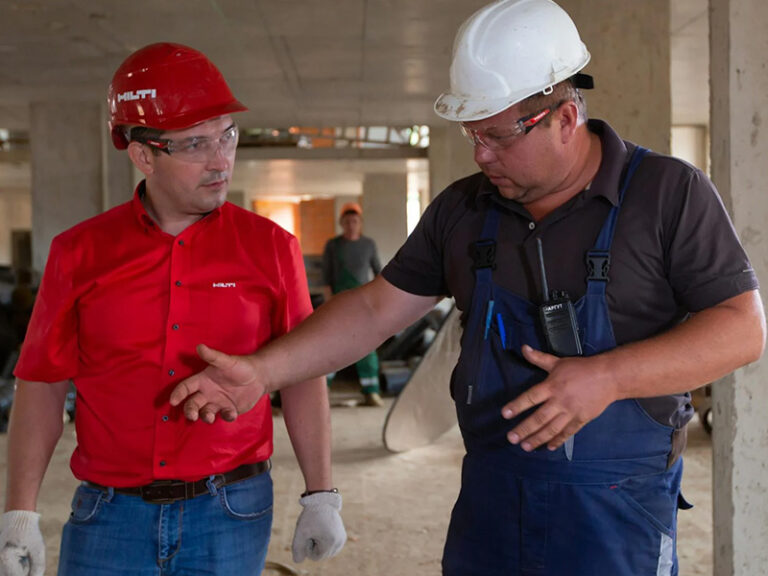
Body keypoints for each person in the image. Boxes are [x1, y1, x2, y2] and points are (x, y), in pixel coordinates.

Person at [168, 1, 766, 574]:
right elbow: (374, 310)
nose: (481, 155)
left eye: (499, 137)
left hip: (618, 507)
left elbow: (742, 329)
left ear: (565, 118)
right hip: (491, 501)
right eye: (471, 134)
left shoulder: (666, 193)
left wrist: (609, 377)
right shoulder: (463, 210)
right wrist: (264, 371)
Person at [0, 43, 345, 576]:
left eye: (227, 135)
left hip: (230, 511)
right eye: (196, 144)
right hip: (109, 515)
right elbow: (42, 383)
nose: (221, 159)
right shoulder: (79, 252)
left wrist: (321, 493)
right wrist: (19, 514)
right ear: (143, 155)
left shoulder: (272, 248)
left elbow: (302, 374)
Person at [321, 202, 384, 406]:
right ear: (341, 223)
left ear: (360, 223)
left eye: (355, 221)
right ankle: (322, 390)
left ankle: (371, 391)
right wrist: (329, 303)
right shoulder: (333, 245)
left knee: (366, 346)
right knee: (332, 345)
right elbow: (326, 277)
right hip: (339, 301)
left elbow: (379, 272)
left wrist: (378, 300)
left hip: (362, 302)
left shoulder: (368, 245)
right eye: (347, 222)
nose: (351, 225)